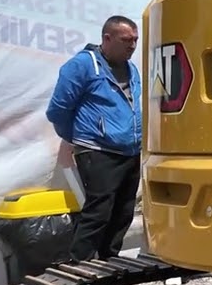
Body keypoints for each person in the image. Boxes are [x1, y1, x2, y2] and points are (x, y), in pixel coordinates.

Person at [46, 16, 142, 261]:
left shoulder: (132, 68)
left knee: (123, 214)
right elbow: (57, 111)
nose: (132, 46)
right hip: (97, 150)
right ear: (107, 38)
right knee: (98, 212)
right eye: (126, 40)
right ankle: (81, 268)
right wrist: (82, 138)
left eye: (135, 41)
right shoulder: (82, 66)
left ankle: (109, 267)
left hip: (130, 151)